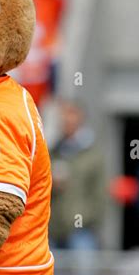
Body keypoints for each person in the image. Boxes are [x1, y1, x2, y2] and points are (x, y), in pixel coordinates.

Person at [49, 100, 105, 252]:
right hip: (53, 232)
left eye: (71, 114)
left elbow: (100, 195)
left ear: (80, 118)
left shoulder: (93, 155)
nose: (66, 120)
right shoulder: (53, 151)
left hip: (82, 232)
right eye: (63, 116)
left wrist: (82, 219)